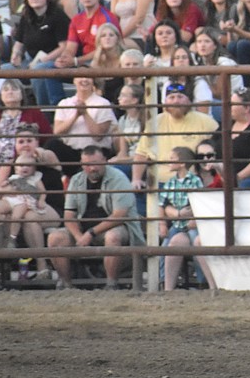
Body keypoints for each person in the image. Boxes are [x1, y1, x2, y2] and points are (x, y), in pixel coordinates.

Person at [48, 145, 144, 290]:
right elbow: (69, 214)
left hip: (114, 228)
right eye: (87, 165)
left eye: (96, 163)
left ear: (105, 161)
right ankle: (66, 285)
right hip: (84, 229)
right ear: (82, 165)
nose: (92, 168)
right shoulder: (76, 180)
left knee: (113, 237)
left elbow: (119, 215)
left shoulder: (118, 178)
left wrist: (90, 233)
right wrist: (79, 236)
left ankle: (111, 284)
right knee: (55, 237)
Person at [132, 83, 220, 189]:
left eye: (180, 97)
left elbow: (217, 156)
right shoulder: (155, 122)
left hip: (191, 182)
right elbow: (141, 154)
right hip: (159, 182)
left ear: (189, 100)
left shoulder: (206, 122)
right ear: (165, 102)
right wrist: (136, 179)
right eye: (171, 97)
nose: (176, 101)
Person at [156, 145, 215, 292]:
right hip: (179, 223)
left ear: (182, 163)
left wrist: (192, 218)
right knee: (165, 249)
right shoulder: (170, 183)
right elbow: (161, 205)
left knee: (197, 247)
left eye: (172, 159)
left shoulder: (194, 181)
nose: (169, 162)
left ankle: (205, 283)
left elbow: (200, 202)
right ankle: (165, 283)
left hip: (190, 223)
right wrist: (163, 224)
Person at [6, 0, 71, 106]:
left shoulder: (58, 15)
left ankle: (44, 110)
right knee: (4, 69)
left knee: (39, 70)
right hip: (30, 61)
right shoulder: (26, 16)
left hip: (55, 61)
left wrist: (43, 60)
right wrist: (16, 55)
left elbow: (64, 46)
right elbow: (19, 42)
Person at [65, 0, 119, 65]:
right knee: (45, 67)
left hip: (102, 61)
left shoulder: (107, 17)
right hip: (82, 61)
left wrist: (76, 61)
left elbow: (107, 49)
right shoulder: (76, 19)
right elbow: (70, 47)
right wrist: (64, 58)